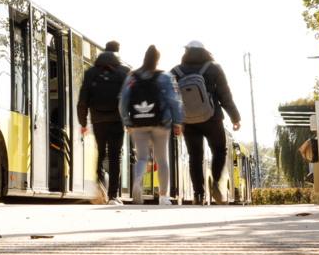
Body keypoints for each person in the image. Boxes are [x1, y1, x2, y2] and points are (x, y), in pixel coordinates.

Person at [171, 41, 241, 205]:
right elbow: (225, 95)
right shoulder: (214, 68)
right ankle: (215, 181)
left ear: (186, 52)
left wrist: (176, 121)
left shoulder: (175, 71)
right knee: (219, 150)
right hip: (212, 118)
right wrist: (235, 117)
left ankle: (198, 194)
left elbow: (171, 99)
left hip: (188, 120)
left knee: (195, 157)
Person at [120, 45, 184, 205]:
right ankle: (163, 196)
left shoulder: (131, 77)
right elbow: (174, 100)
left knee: (141, 157)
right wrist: (178, 122)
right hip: (160, 123)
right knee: (161, 159)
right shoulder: (165, 76)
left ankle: (138, 179)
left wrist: (127, 122)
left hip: (137, 122)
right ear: (157, 59)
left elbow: (122, 102)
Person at [77, 40, 130, 204]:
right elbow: (129, 98)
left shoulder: (91, 72)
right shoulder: (124, 71)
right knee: (115, 155)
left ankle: (99, 182)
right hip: (117, 119)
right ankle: (113, 195)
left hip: (98, 119)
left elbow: (83, 99)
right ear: (118, 52)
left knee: (100, 152)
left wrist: (83, 123)